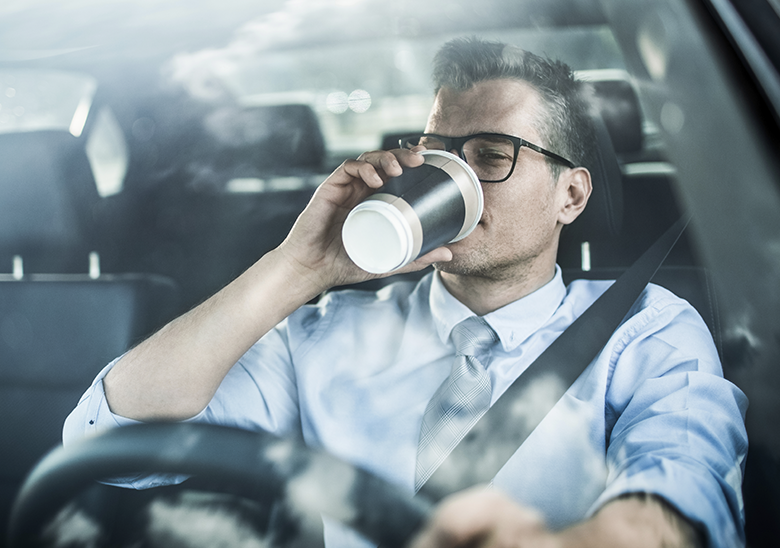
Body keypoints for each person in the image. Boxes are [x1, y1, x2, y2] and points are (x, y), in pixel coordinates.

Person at [64, 37, 747, 548]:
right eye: (436, 151)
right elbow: (110, 435)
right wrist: (297, 268)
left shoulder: (644, 328)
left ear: (569, 194)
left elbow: (681, 479)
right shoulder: (324, 331)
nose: (455, 176)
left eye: (490, 154)